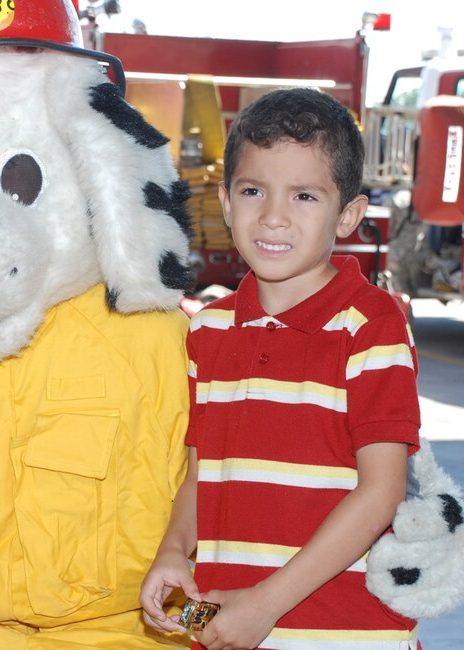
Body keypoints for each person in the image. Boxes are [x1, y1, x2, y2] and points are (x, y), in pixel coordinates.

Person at [140, 87, 422, 650]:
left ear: (348, 216)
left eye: (304, 197)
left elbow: (381, 491)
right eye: (253, 190)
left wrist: (266, 603)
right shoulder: (208, 331)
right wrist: (174, 550)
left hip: (345, 634)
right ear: (224, 202)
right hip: (224, 623)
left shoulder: (370, 326)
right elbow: (202, 469)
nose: (273, 216)